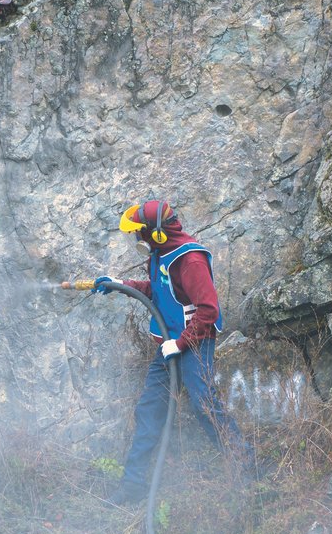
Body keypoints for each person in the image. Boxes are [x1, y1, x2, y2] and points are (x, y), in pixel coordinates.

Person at [93, 198, 250, 505]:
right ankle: (133, 485)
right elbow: (159, 288)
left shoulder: (189, 260)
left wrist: (179, 344)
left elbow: (208, 311)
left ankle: (245, 467)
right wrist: (120, 284)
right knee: (149, 410)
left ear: (159, 233)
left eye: (140, 233)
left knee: (205, 407)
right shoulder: (161, 253)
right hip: (169, 345)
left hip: (194, 342)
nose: (137, 239)